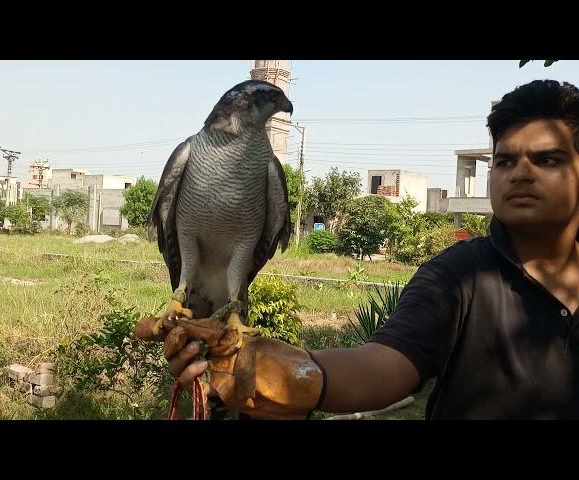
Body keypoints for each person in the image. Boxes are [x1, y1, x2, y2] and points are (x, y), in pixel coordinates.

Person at [157, 79, 579, 420]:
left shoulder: (266, 169)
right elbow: (385, 366)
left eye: (547, 160)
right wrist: (291, 376)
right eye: (504, 162)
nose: (520, 174)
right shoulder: (457, 276)